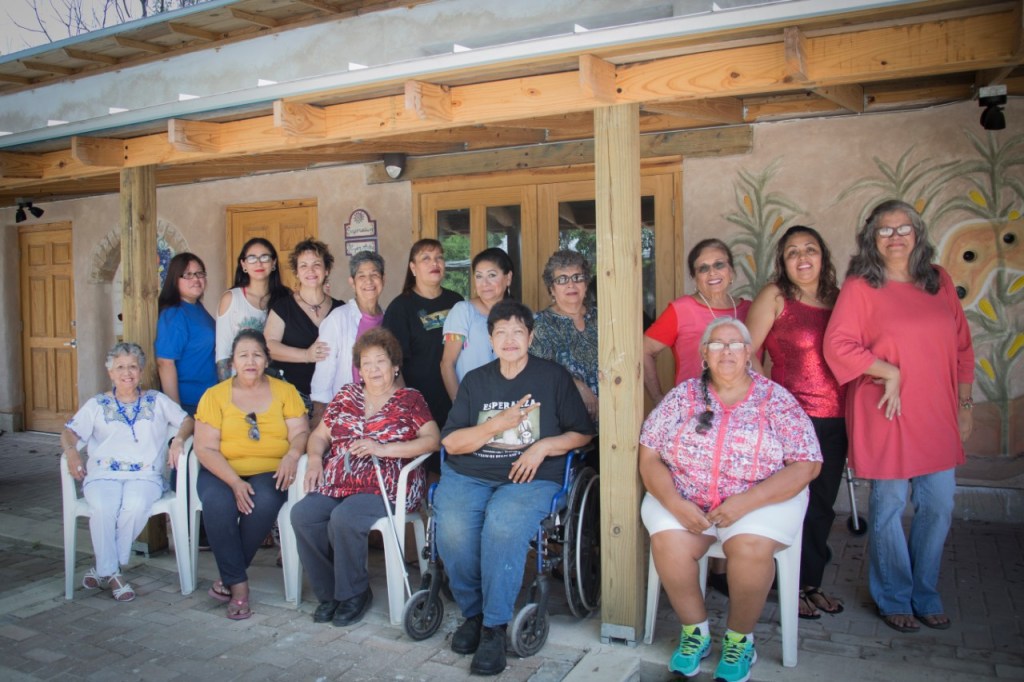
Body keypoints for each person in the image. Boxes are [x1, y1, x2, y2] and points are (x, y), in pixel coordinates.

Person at [639, 317, 821, 681]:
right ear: (704, 353)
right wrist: (675, 503)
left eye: (735, 344)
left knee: (750, 547)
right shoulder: (682, 396)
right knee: (669, 541)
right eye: (717, 344)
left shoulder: (775, 399)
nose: (726, 351)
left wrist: (746, 503)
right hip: (687, 496)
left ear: (748, 353)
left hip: (761, 499)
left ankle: (740, 640)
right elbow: (649, 456)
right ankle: (696, 632)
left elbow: (807, 464)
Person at [824, 200, 974, 634]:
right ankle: (893, 596)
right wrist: (888, 370)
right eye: (884, 229)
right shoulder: (860, 286)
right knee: (889, 506)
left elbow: (963, 347)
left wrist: (965, 405)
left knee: (939, 503)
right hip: (885, 410)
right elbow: (839, 345)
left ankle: (924, 593)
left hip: (936, 410)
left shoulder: (937, 281)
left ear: (918, 233)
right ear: (871, 236)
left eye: (903, 228)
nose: (894, 236)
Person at [435, 300, 594, 676]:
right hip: (470, 473)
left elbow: (582, 433)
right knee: (453, 529)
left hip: (531, 479)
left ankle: (494, 627)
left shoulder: (552, 377)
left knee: (502, 525)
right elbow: (452, 443)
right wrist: (497, 425)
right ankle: (473, 615)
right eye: (501, 332)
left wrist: (542, 446)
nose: (509, 340)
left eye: (518, 332)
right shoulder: (476, 380)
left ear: (531, 337)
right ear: (490, 340)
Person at [291, 328, 441, 627]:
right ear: (359, 368)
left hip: (389, 484)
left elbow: (432, 440)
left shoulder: (410, 400)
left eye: (380, 361)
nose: (373, 369)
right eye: (366, 362)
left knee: (344, 518)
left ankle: (355, 593)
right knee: (303, 514)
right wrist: (315, 459)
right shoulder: (346, 396)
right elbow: (320, 435)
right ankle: (330, 594)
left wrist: (385, 449)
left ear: (395, 365)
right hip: (338, 481)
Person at [745, 225, 847, 619]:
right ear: (782, 261)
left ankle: (811, 583)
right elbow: (749, 353)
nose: (803, 258)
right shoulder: (775, 296)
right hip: (790, 420)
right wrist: (771, 406)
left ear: (823, 256)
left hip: (836, 419)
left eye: (810, 249)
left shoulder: (839, 300)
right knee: (791, 504)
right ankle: (786, 585)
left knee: (823, 504)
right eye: (792, 252)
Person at [61, 342, 194, 602]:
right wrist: (72, 451)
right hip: (102, 475)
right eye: (120, 367)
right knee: (103, 507)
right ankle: (114, 573)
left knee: (134, 505)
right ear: (110, 373)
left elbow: (187, 420)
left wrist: (178, 440)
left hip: (145, 476)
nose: (127, 372)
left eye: (133, 366)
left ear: (141, 371)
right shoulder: (97, 404)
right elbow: (69, 432)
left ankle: (105, 569)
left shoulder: (156, 400)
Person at [194, 330, 310, 620]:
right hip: (221, 469)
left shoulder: (285, 391)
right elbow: (205, 448)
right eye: (243, 355)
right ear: (233, 361)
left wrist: (293, 455)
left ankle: (227, 579)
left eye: (257, 354)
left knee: (264, 501)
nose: (250, 361)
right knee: (218, 505)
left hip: (270, 468)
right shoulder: (215, 395)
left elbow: (300, 432)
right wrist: (233, 482)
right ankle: (240, 587)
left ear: (266, 360)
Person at [382, 239, 463, 473]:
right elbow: (393, 365)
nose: (434, 263)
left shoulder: (456, 301)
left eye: (439, 257)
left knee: (454, 467)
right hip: (420, 404)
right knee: (426, 469)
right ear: (413, 268)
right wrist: (409, 407)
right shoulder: (401, 308)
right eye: (425, 258)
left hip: (455, 398)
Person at [643, 239, 752, 405]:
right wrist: (659, 399)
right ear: (694, 277)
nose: (712, 272)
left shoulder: (751, 311)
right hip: (695, 409)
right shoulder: (681, 309)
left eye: (719, 265)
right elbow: (644, 350)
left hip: (746, 409)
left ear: (731, 271)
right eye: (703, 268)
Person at [265, 238, 342, 413]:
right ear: (297, 273)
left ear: (326, 269)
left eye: (316, 264)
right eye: (303, 266)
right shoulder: (283, 307)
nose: (311, 271)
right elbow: (269, 346)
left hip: (332, 400)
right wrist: (306, 355)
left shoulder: (340, 309)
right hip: (290, 397)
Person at [310, 251, 387, 423]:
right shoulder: (338, 318)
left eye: (374, 275)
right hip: (347, 412)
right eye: (361, 276)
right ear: (352, 282)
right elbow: (324, 368)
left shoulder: (390, 319)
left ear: (383, 279)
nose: (369, 281)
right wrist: (320, 414)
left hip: (384, 410)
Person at [531, 249, 599, 422]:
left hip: (611, 419)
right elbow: (538, 370)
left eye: (577, 277)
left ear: (586, 283)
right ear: (552, 289)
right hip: (564, 418)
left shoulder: (603, 318)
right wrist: (579, 387)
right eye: (562, 280)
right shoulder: (539, 323)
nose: (571, 285)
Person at [440, 247, 514, 401]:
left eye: (492, 275)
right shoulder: (463, 311)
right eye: (479, 276)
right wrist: (459, 405)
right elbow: (447, 364)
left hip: (510, 402)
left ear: (508, 278)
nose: (484, 283)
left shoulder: (518, 316)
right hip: (473, 403)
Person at [215, 238, 289, 380]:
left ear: (273, 262)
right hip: (241, 383)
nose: (259, 263)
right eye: (252, 258)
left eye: (264, 257)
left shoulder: (286, 298)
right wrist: (227, 391)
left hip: (279, 382)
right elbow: (223, 354)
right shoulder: (231, 298)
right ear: (243, 264)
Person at [156, 252, 217, 417]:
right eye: (188, 275)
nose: (196, 279)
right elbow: (165, 363)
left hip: (207, 397)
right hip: (189, 403)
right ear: (175, 279)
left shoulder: (196, 307)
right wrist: (176, 413)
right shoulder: (175, 314)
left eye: (200, 274)